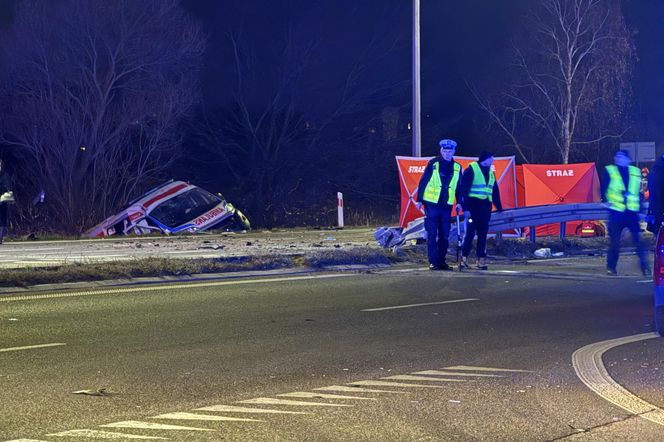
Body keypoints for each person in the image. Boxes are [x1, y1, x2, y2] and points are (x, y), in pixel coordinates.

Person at [415, 138, 463, 271]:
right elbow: (423, 181)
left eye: (450, 151)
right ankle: (433, 262)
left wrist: (459, 202)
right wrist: (419, 200)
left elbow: (459, 187)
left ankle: (442, 261)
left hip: (446, 206)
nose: (447, 153)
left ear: (454, 151)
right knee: (432, 234)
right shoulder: (433, 163)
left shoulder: (457, 167)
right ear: (441, 151)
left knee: (444, 235)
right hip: (431, 205)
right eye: (445, 150)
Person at [601, 149, 649, 276]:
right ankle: (611, 268)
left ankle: (645, 267)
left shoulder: (635, 172)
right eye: (617, 156)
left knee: (639, 242)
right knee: (615, 243)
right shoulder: (610, 170)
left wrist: (640, 210)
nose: (618, 158)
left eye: (622, 157)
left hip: (631, 213)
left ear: (628, 159)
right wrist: (605, 200)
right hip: (616, 212)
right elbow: (603, 188)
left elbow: (638, 192)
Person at [459, 150, 502, 270]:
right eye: (491, 158)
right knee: (470, 235)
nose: (492, 161)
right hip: (473, 208)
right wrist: (465, 208)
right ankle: (463, 259)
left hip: (485, 209)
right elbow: (464, 190)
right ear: (485, 158)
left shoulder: (491, 172)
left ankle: (480, 260)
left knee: (483, 235)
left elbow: (494, 191)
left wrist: (499, 207)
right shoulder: (471, 170)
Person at [648, 154, 664, 235]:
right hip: (659, 207)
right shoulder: (658, 167)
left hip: (657, 206)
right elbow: (656, 189)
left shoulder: (657, 166)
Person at [0, 159, 12, 244]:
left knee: (3, 220)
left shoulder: (5, 176)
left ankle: (0, 238)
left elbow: (8, 188)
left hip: (3, 200)